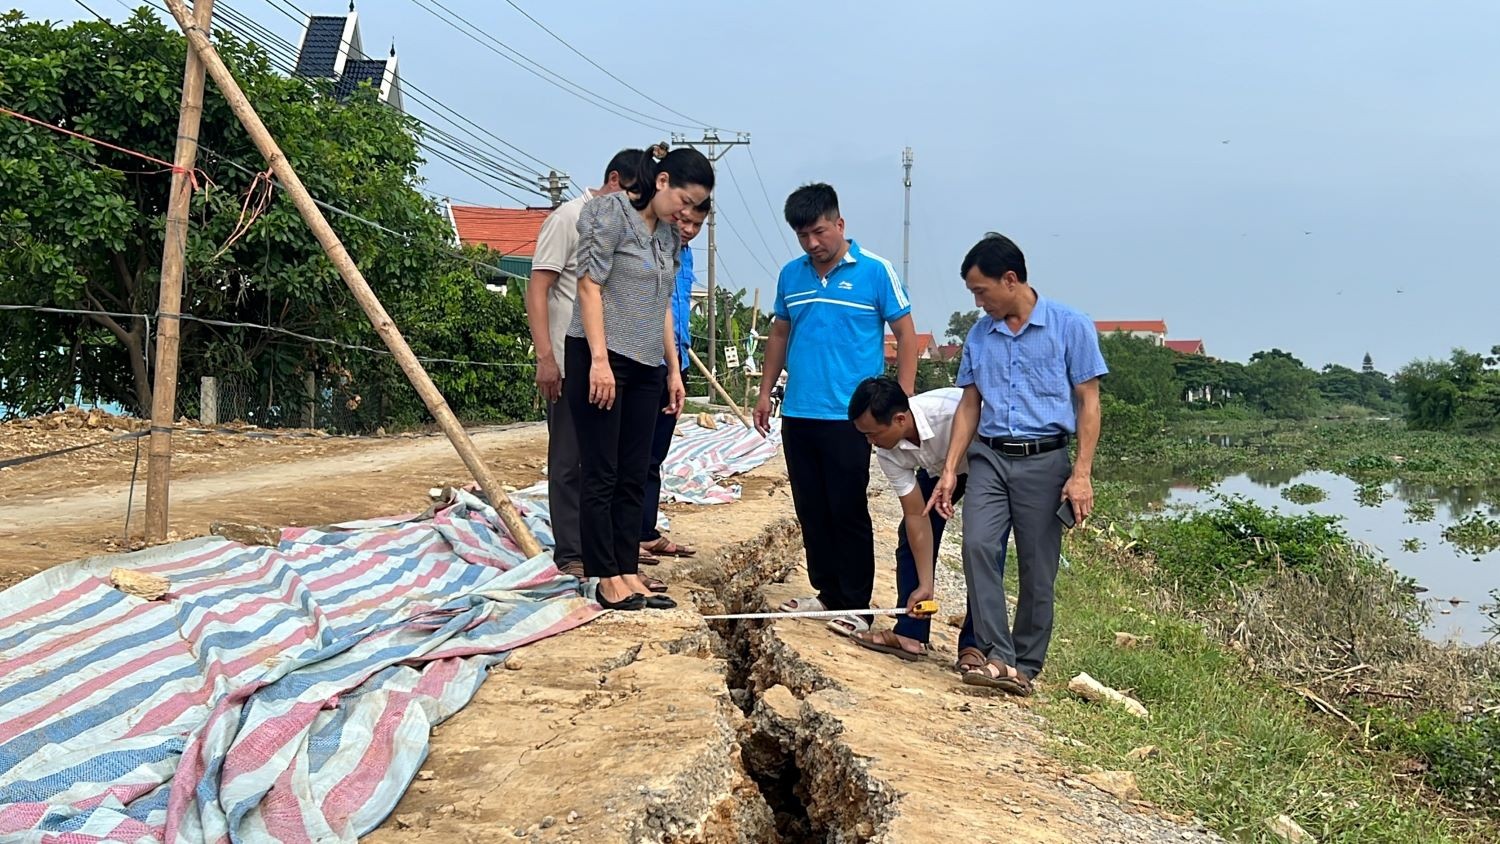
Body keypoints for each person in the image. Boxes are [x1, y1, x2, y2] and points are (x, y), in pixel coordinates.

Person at [930, 232, 1107, 695]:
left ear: (1010, 280)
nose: (978, 301)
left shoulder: (1071, 326)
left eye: (981, 291)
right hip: (989, 455)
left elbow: (1089, 402)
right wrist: (950, 468)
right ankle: (998, 657)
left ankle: (1025, 666)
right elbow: (970, 403)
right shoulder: (979, 334)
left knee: (1037, 566)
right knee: (977, 548)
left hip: (1045, 461)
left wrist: (1081, 474)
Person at [753, 183, 919, 638]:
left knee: (846, 507)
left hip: (852, 418)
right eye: (803, 235)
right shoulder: (792, 276)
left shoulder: (875, 271)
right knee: (811, 506)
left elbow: (905, 334)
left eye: (820, 232)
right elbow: (780, 336)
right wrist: (766, 391)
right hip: (800, 411)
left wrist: (899, 402)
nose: (812, 244)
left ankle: (857, 603)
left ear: (840, 224)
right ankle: (826, 594)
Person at [565, 147, 714, 611]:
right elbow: (590, 286)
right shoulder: (608, 213)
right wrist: (599, 360)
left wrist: (673, 369)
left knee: (634, 471)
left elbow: (665, 306)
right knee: (602, 471)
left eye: (696, 207)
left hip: (649, 362)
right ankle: (604, 574)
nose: (687, 214)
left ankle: (629, 570)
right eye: (685, 201)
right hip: (601, 357)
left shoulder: (669, 238)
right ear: (663, 181)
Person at [525, 149, 641, 579]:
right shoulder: (568, 219)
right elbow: (539, 290)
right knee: (571, 460)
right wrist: (546, 357)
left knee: (609, 462)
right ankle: (571, 552)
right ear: (613, 180)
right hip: (571, 361)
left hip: (612, 365)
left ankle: (605, 551)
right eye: (630, 194)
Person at [847, 376, 987, 668]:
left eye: (873, 434)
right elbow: (915, 514)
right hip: (941, 468)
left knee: (981, 544)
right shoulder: (887, 450)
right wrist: (926, 583)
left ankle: (976, 645)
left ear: (900, 419)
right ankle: (911, 633)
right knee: (910, 535)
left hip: (985, 461)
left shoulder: (947, 415)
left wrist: (953, 473)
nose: (869, 442)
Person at [638, 197, 711, 563]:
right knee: (632, 453)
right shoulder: (647, 247)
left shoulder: (687, 255)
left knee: (655, 453)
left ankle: (645, 531)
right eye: (685, 221)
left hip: (675, 362)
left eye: (697, 225)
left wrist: (677, 368)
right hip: (645, 362)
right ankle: (625, 538)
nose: (689, 230)